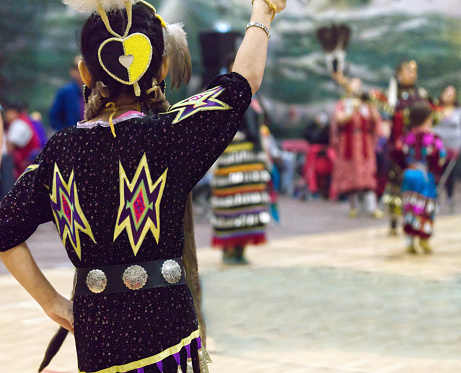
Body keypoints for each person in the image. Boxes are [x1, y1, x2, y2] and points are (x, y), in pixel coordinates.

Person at [0, 1, 287, 373]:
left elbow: (4, 229)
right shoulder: (170, 135)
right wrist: (262, 11)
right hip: (169, 335)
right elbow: (242, 82)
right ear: (163, 66)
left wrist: (51, 301)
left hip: (97, 340)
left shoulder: (61, 150)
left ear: (86, 73)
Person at [211, 95, 272, 265]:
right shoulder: (227, 95)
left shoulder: (257, 99)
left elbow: (263, 125)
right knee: (231, 204)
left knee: (248, 206)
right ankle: (229, 250)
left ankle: (240, 250)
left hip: (251, 159)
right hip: (233, 156)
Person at [377, 60, 430, 235]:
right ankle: (393, 221)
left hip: (417, 148)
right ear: (399, 73)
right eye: (408, 70)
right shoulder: (390, 96)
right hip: (396, 148)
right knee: (395, 184)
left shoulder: (421, 95)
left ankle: (414, 221)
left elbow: (431, 117)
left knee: (416, 184)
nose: (412, 74)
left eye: (414, 71)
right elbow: (383, 117)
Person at [395, 102, 446, 254]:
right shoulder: (432, 138)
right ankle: (424, 239)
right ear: (428, 118)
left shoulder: (406, 136)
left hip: (408, 174)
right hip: (424, 175)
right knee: (425, 207)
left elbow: (397, 153)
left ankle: (409, 240)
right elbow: (441, 156)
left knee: (409, 206)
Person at [330, 74, 383, 217]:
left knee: (368, 174)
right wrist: (353, 109)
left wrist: (370, 104)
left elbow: (375, 120)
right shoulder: (343, 104)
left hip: (364, 144)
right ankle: (353, 207)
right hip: (349, 143)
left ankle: (372, 207)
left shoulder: (366, 104)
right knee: (350, 174)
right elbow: (339, 119)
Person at [432, 85, 461, 209]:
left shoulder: (458, 111)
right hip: (437, 146)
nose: (448, 96)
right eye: (447, 93)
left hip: (453, 146)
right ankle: (435, 197)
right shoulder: (436, 109)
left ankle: (449, 197)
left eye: (451, 94)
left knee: (451, 173)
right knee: (437, 171)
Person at [3, 102, 41, 178]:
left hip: (25, 166)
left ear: (13, 112)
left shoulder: (19, 123)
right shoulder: (22, 121)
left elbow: (9, 148)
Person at [49, 55, 85, 132]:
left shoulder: (96, 91)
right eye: (77, 69)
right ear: (72, 71)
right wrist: (66, 133)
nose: (80, 73)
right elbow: (54, 116)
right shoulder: (65, 91)